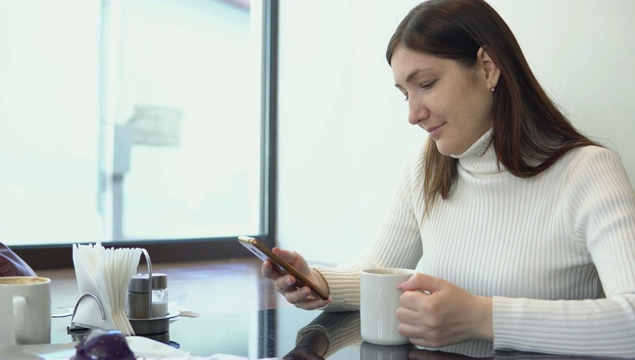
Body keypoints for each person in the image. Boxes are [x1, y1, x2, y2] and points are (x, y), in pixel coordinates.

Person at [262, 0, 635, 357]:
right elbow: (379, 270)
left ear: (488, 68)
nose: (413, 114)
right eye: (404, 94)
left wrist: (482, 317)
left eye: (425, 84)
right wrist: (317, 281)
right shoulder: (427, 167)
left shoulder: (588, 171)